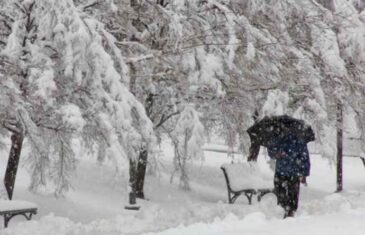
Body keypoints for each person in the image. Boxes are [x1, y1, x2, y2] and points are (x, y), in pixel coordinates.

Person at [267, 134, 310, 218]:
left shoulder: (298, 139)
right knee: (282, 193)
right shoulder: (278, 137)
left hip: (292, 172)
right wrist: (276, 154)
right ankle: (285, 210)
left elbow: (304, 156)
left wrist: (304, 173)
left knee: (291, 194)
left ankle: (290, 212)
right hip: (283, 171)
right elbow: (270, 150)